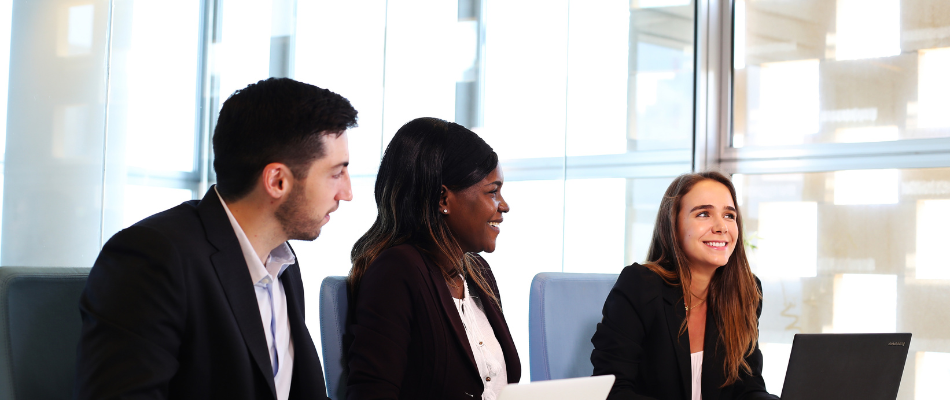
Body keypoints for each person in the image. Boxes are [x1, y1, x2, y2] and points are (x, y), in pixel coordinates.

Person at [76, 78, 357, 400]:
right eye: (336, 173)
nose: (347, 193)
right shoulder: (152, 258)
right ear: (277, 180)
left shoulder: (282, 262)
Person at [345, 117, 519, 400]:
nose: (504, 206)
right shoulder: (396, 271)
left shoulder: (479, 273)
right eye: (492, 192)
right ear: (442, 199)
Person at [590, 171, 778, 400]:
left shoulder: (744, 292)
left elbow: (748, 388)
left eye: (729, 215)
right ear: (673, 226)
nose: (722, 227)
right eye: (703, 214)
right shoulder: (640, 285)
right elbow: (612, 390)